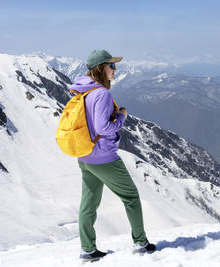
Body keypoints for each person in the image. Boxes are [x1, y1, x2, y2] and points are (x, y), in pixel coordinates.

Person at [70, 50, 156, 262]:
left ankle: (87, 249)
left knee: (89, 204)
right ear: (100, 68)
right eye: (111, 66)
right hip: (104, 157)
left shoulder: (83, 90)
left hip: (85, 156)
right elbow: (104, 126)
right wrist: (121, 117)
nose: (115, 69)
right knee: (131, 197)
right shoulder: (101, 94)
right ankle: (141, 243)